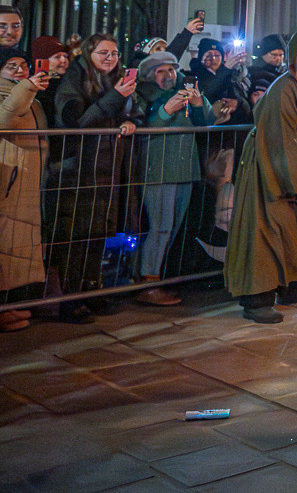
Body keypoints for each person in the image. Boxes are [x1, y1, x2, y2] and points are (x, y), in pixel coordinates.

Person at [224, 16, 297, 323]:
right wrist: (296, 189)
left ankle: (294, 288)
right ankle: (257, 299)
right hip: (271, 169)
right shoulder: (284, 89)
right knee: (266, 232)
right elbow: (279, 139)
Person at [49, 34, 138, 323]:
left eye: (114, 53)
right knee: (77, 233)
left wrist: (130, 121)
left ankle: (91, 289)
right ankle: (70, 299)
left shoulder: (117, 80)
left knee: (99, 230)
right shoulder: (74, 80)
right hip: (78, 168)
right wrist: (116, 98)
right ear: (89, 54)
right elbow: (76, 121)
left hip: (107, 166)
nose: (110, 58)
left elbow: (133, 112)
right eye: (103, 53)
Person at [133, 51, 215, 306]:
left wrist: (200, 103)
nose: (168, 75)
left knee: (172, 228)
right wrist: (166, 111)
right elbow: (143, 128)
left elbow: (207, 122)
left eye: (171, 69)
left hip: (185, 169)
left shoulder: (186, 91)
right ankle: (147, 282)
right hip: (158, 169)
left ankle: (154, 277)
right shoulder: (142, 94)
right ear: (150, 75)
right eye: (161, 71)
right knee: (160, 227)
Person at [0, 50, 50, 330]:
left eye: (23, 65)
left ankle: (9, 305)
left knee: (16, 248)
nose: (20, 70)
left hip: (27, 179)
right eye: (11, 66)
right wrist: (27, 88)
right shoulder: (13, 93)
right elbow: (4, 121)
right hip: (8, 178)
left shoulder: (31, 95)